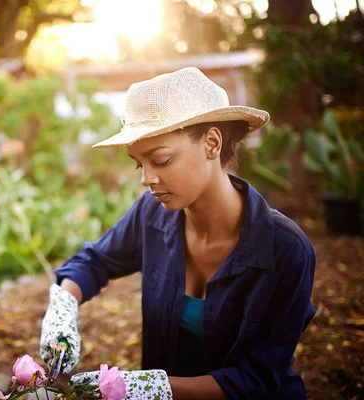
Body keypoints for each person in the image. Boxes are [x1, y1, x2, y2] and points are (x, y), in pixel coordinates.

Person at [39, 67, 316, 400]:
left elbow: (258, 379)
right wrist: (62, 307)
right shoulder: (151, 214)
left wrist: (150, 388)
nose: (146, 179)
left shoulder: (285, 249)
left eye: (162, 160)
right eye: (139, 164)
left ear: (212, 143)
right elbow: (95, 261)